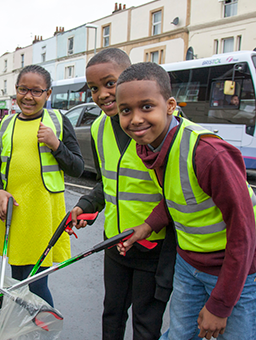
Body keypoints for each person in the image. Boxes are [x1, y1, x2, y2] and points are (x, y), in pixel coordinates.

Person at [117, 62, 256, 340]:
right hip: (189, 264)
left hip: (236, 272)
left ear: (169, 105)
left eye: (146, 107)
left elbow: (244, 233)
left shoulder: (208, 153)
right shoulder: (149, 146)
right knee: (180, 335)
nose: (135, 119)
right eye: (125, 110)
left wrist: (220, 305)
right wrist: (146, 227)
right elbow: (177, 196)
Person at [68, 49, 173, 340]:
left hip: (154, 245)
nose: (102, 94)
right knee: (111, 314)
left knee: (146, 322)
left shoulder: (157, 126)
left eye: (109, 83)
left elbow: (179, 194)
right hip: (114, 243)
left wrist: (150, 227)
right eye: (93, 88)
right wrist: (86, 205)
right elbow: (108, 182)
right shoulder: (99, 126)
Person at [0, 65, 85, 306]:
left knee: (37, 283)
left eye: (36, 91)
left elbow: (78, 167)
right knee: (16, 281)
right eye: (23, 89)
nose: (28, 96)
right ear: (16, 91)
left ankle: (44, 330)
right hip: (14, 214)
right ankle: (22, 328)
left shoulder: (58, 122)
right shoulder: (6, 125)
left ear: (48, 94)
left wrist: (56, 145)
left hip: (43, 216)